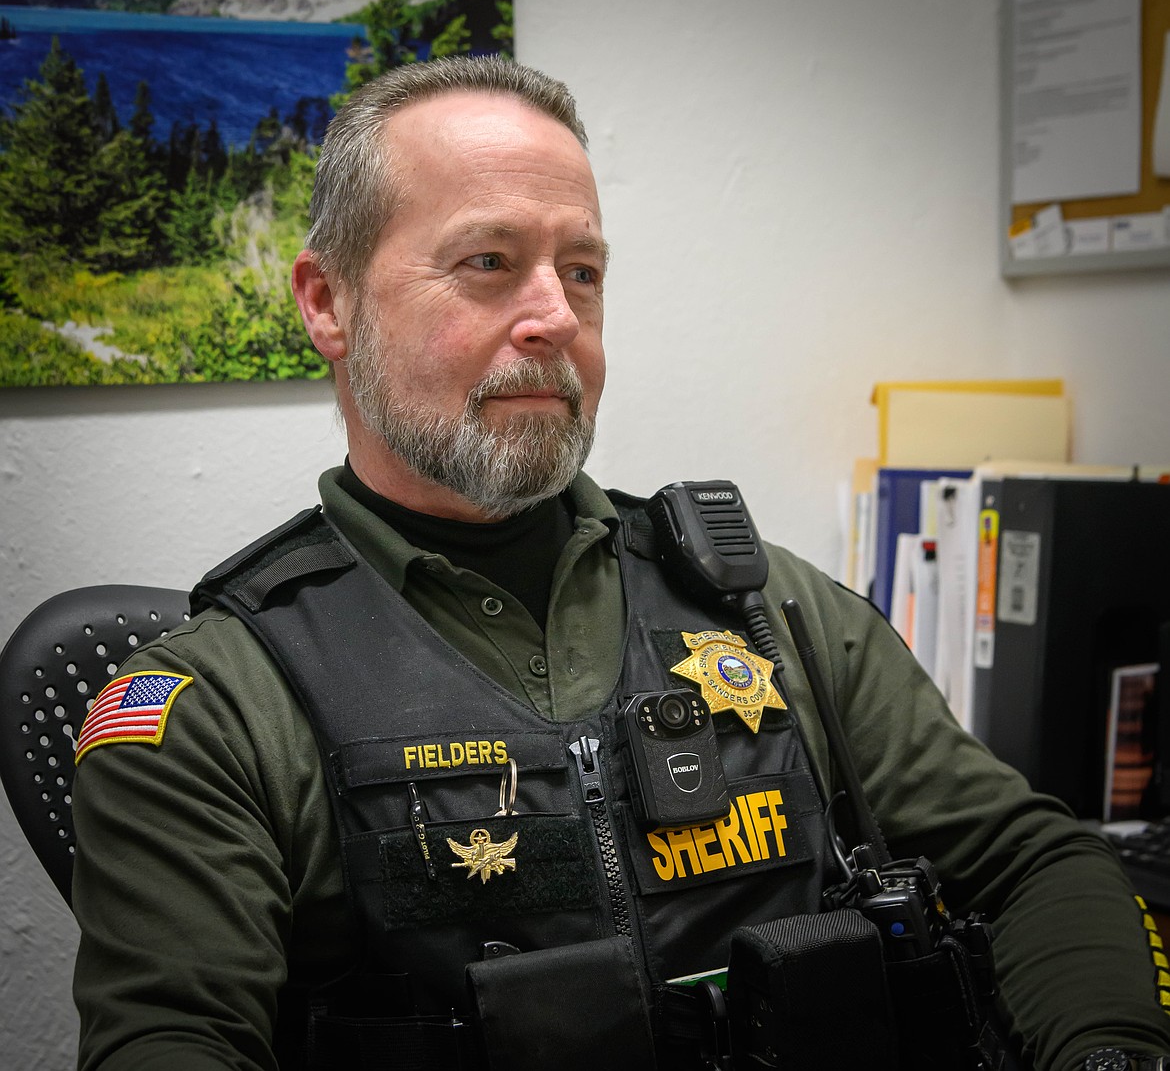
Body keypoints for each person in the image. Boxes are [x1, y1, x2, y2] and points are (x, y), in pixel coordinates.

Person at [71, 56, 1170, 1071]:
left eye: (582, 270)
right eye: (489, 263)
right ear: (328, 301)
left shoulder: (767, 612)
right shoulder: (214, 709)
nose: (556, 316)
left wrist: (1108, 1051)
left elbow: (1034, 860)